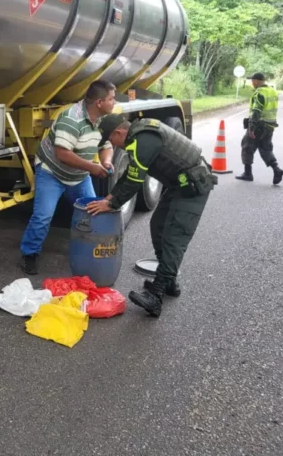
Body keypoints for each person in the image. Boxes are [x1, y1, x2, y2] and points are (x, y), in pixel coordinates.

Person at [86, 115, 217, 318]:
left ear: (119, 133)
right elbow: (130, 173)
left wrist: (111, 204)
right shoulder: (137, 137)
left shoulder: (144, 139)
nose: (112, 144)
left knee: (174, 237)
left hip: (194, 186)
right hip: (178, 184)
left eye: (112, 140)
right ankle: (170, 282)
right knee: (158, 225)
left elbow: (134, 181)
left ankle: (156, 297)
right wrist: (110, 197)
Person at [18, 81, 117, 275]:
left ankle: (87, 250)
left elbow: (106, 146)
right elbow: (62, 153)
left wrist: (105, 162)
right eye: (111, 99)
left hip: (78, 175)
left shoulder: (104, 120)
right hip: (51, 172)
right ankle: (29, 254)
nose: (114, 103)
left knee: (92, 212)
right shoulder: (71, 119)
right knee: (43, 216)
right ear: (99, 102)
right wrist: (92, 167)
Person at [235, 72, 283, 184]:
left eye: (252, 81)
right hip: (270, 126)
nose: (252, 83)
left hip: (259, 126)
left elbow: (257, 111)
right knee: (266, 148)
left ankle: (248, 174)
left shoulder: (259, 93)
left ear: (256, 81)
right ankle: (277, 169)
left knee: (247, 146)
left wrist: (251, 127)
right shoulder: (272, 91)